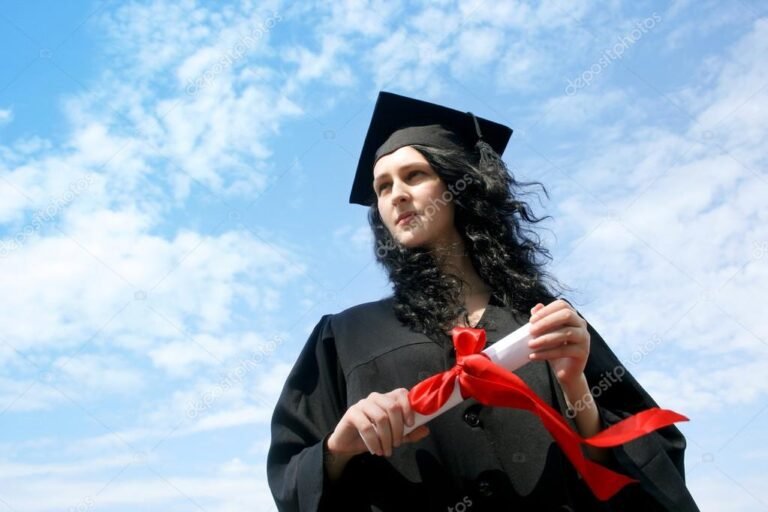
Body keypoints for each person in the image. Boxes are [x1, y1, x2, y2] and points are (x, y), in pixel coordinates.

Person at [267, 91, 699, 511]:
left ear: (459, 185)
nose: (395, 194)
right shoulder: (344, 338)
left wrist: (575, 388)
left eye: (415, 175)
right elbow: (292, 478)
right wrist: (339, 446)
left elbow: (645, 471)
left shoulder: (545, 322)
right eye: (382, 187)